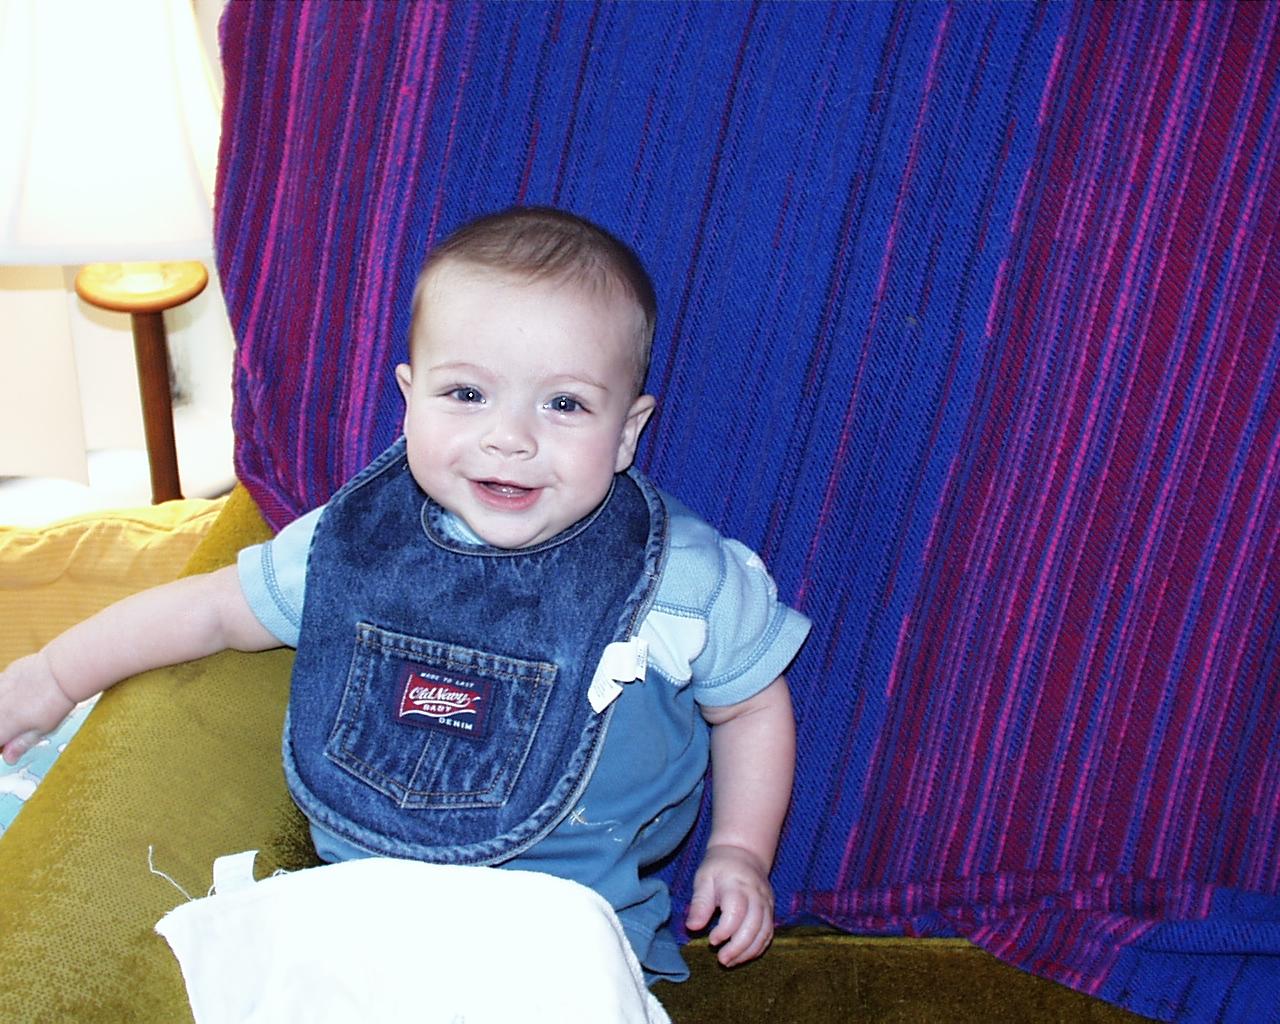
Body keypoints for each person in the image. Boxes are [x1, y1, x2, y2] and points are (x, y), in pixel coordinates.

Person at [0, 207, 810, 984]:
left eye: (564, 404)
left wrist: (740, 851)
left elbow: (750, 708)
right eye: (466, 394)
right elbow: (209, 609)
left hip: (562, 935)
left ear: (627, 431)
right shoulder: (358, 545)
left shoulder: (680, 579)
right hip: (361, 916)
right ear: (409, 397)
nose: (510, 437)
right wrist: (54, 676)